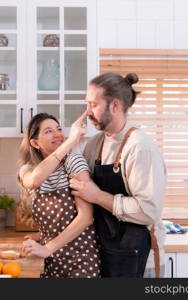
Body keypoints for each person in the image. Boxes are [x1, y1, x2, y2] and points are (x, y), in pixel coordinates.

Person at [69, 72, 167, 278]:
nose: (87, 112)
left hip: (138, 257)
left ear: (114, 106)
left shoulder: (140, 148)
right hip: (107, 252)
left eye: (93, 105)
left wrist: (96, 195)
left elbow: (148, 211)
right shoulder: (96, 144)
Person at [17, 112, 100, 278]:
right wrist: (43, 235)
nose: (57, 134)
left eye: (59, 129)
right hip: (52, 261)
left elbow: (86, 218)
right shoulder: (28, 170)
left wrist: (47, 247)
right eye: (48, 131)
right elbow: (33, 181)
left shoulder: (73, 161)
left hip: (81, 260)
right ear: (35, 143)